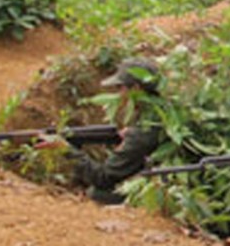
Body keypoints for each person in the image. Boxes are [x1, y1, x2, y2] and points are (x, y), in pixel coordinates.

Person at [65, 57, 166, 205]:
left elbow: (103, 178)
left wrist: (67, 151)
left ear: (136, 89)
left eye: (120, 88)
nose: (118, 94)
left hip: (162, 190)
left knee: (98, 194)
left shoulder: (145, 131)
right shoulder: (160, 114)